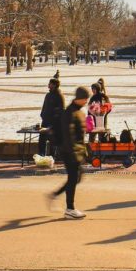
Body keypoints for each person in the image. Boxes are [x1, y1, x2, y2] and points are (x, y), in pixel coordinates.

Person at [52, 86, 89, 219]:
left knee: (77, 177)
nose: (86, 101)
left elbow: (80, 134)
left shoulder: (79, 111)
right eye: (85, 99)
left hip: (76, 151)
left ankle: (56, 195)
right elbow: (69, 136)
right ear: (79, 98)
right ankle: (70, 208)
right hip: (70, 152)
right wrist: (74, 153)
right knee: (73, 178)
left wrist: (83, 151)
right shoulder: (70, 112)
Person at [39, 78, 64, 158]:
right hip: (45, 121)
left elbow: (61, 109)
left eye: (50, 84)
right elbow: (44, 106)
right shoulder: (48, 95)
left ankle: (52, 156)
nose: (48, 85)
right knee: (42, 138)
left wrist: (55, 119)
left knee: (52, 140)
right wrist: (42, 114)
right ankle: (41, 155)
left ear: (54, 85)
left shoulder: (59, 96)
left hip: (53, 122)